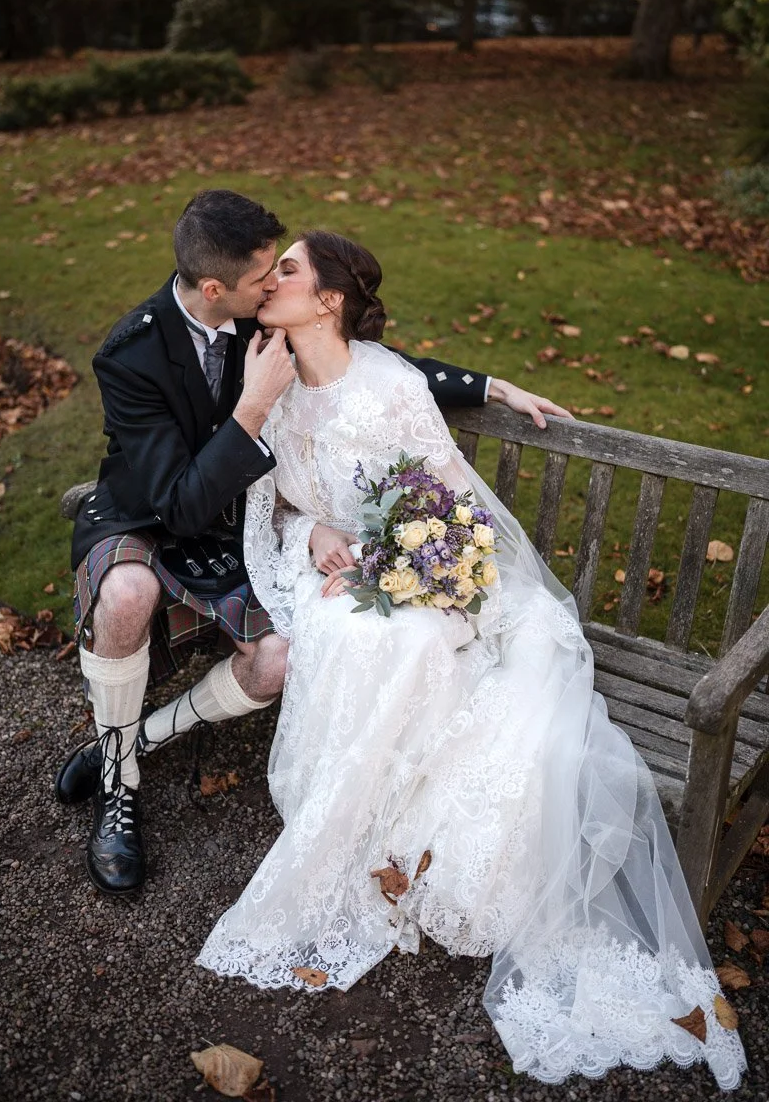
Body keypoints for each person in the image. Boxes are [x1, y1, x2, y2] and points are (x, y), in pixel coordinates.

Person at [195, 231, 745, 1090]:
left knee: (402, 638)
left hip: (438, 577)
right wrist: (319, 534)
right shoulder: (268, 379)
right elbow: (273, 515)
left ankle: (384, 834)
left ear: (330, 300)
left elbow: (453, 511)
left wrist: (417, 570)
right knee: (346, 632)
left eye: (289, 271)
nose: (271, 281)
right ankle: (355, 828)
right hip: (350, 577)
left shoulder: (390, 388)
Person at [55, 189, 572, 897]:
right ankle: (121, 788)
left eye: (281, 270)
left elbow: (367, 364)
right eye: (263, 276)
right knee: (127, 591)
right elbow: (175, 503)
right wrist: (254, 408)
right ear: (217, 289)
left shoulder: (259, 321)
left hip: (234, 524)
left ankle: (126, 742)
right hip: (149, 513)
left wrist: (489, 384)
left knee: (274, 663)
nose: (272, 284)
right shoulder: (132, 353)